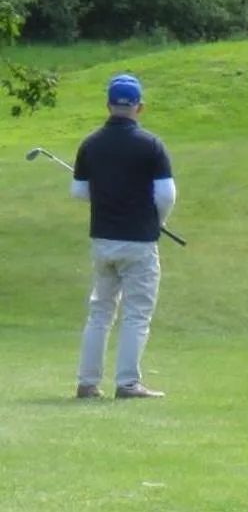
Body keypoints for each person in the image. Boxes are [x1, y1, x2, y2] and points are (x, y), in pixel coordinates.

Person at [71, 73, 176, 400]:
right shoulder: (152, 145)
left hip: (103, 240)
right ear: (139, 107)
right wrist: (156, 222)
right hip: (140, 241)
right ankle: (128, 383)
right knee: (136, 313)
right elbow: (166, 196)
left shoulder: (90, 144)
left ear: (108, 105)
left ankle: (88, 383)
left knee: (100, 311)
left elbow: (79, 192)